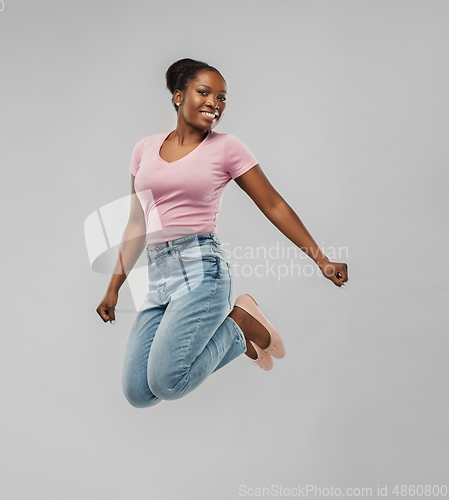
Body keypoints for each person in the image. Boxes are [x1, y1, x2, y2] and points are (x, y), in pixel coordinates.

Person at [96, 58, 348, 408]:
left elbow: (272, 204)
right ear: (178, 96)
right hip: (158, 278)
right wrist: (113, 289)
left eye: (222, 97)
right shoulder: (144, 149)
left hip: (202, 270)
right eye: (204, 92)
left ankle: (239, 323)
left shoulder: (227, 148)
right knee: (139, 392)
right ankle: (239, 325)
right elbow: (137, 223)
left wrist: (320, 259)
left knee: (168, 384)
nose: (215, 103)